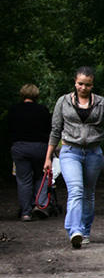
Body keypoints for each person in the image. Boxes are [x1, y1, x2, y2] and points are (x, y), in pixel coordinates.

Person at [44, 67, 104, 248]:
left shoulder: (101, 102)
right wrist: (48, 158)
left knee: (88, 194)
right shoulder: (63, 101)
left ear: (92, 85)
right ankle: (75, 230)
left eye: (87, 85)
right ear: (75, 83)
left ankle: (85, 230)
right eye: (80, 84)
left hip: (93, 152)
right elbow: (55, 130)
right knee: (76, 190)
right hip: (70, 152)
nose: (83, 87)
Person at [9, 84, 52, 221]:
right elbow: (50, 130)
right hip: (39, 147)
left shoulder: (14, 110)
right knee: (41, 176)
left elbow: (8, 129)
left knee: (23, 180)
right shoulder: (43, 110)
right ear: (36, 95)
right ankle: (39, 205)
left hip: (20, 147)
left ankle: (26, 212)